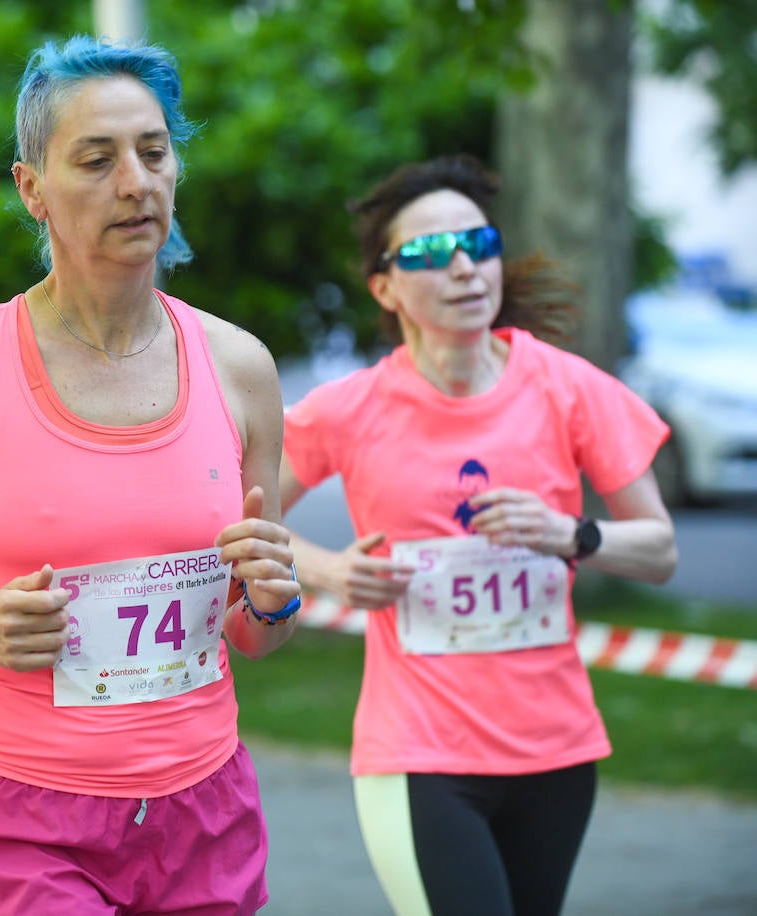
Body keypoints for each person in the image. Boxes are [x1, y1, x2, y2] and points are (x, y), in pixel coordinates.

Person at [0, 36, 304, 915]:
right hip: (25, 811)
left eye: (154, 153)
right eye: (97, 158)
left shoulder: (241, 368)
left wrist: (273, 598)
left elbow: (253, 632)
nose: (136, 181)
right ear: (31, 187)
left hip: (204, 802)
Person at [279, 154, 678, 916]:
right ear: (386, 288)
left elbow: (659, 550)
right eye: (430, 252)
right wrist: (327, 571)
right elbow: (238, 516)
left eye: (479, 244)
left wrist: (570, 533)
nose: (463, 267)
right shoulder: (347, 409)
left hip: (556, 752)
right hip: (420, 752)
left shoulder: (569, 387)